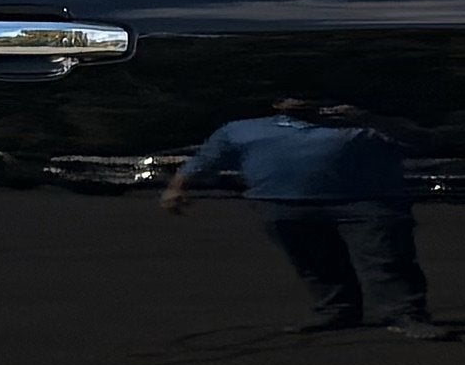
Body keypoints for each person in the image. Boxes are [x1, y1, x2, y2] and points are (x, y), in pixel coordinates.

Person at [165, 95, 444, 336]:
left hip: (365, 203)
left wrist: (368, 118)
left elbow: (422, 140)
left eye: (307, 95)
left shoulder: (362, 126)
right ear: (277, 102)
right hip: (282, 204)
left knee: (386, 261)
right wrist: (177, 188)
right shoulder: (241, 129)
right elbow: (205, 159)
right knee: (314, 263)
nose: (298, 101)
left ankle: (406, 315)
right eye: (290, 95)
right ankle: (336, 311)